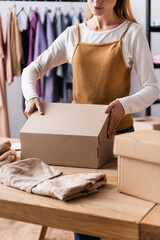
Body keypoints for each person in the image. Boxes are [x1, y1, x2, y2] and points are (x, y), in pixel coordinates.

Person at [22, 0, 159, 239]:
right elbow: (31, 70)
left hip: (118, 139)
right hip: (81, 142)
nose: (96, 1)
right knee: (84, 221)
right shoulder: (72, 34)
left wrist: (125, 105)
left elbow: (152, 88)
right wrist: (31, 96)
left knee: (123, 218)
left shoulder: (132, 32)